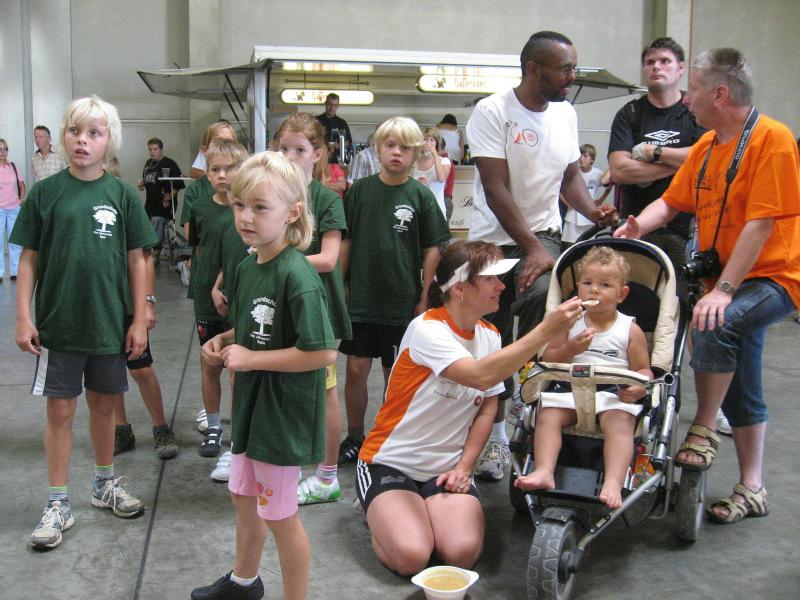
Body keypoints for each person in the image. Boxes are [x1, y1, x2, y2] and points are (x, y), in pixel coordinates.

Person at [614, 48, 800, 525]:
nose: (686, 98)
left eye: (693, 89)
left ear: (719, 94)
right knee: (743, 381)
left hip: (775, 277)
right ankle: (752, 487)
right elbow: (671, 203)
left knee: (715, 323)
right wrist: (637, 226)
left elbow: (760, 224)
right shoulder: (707, 146)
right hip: (730, 279)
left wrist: (724, 290)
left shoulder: (773, 139)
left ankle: (702, 426)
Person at [356, 240, 583, 575]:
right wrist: (545, 331)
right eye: (491, 279)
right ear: (460, 289)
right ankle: (383, 513)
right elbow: (479, 375)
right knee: (411, 556)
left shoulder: (490, 335)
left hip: (446, 467)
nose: (501, 286)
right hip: (390, 462)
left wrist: (464, 467)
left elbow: (487, 410)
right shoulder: (426, 330)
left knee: (461, 553)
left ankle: (412, 514)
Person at [466, 30, 616, 481]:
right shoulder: (493, 111)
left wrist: (592, 211)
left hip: (545, 235)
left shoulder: (566, 113)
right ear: (534, 69)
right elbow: (495, 188)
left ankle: (527, 399)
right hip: (495, 240)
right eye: (565, 69)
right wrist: (529, 246)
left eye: (573, 67)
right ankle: (493, 437)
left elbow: (570, 177)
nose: (572, 76)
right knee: (488, 335)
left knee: (540, 301)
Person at [11, 96, 157, 549]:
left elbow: (137, 259)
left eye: (94, 133)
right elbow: (29, 258)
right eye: (75, 131)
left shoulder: (122, 196)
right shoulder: (45, 193)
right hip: (59, 324)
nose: (83, 141)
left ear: (109, 141)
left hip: (108, 324)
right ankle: (58, 500)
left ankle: (103, 483)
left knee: (104, 406)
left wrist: (138, 319)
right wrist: (23, 316)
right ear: (64, 136)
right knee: (60, 409)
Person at [192, 151, 336, 600]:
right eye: (239, 205)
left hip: (282, 416)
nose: (245, 217)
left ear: (292, 213)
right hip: (252, 410)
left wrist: (252, 360)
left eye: (260, 207)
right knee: (242, 495)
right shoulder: (247, 266)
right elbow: (258, 326)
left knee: (279, 516)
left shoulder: (298, 275)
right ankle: (244, 581)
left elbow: (322, 352)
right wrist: (225, 339)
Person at [337, 117, 451, 465]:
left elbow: (434, 247)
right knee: (356, 369)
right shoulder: (359, 191)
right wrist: (339, 287)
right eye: (390, 145)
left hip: (401, 301)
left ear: (416, 153)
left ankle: (388, 437)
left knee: (395, 374)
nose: (396, 153)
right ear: (378, 149)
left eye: (404, 147)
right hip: (361, 299)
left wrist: (424, 294)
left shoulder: (420, 196)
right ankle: (355, 435)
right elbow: (346, 240)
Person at [515, 246, 653, 509]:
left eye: (605, 285)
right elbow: (550, 359)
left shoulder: (629, 330)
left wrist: (639, 388)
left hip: (613, 393)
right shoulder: (568, 323)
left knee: (620, 424)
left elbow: (644, 370)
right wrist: (571, 349)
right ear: (577, 287)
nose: (594, 290)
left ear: (621, 294)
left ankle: (613, 482)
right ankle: (544, 470)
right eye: (587, 283)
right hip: (569, 387)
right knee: (547, 415)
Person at [276, 113, 352, 504]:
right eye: (283, 148)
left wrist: (279, 262)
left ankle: (326, 476)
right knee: (284, 386)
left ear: (318, 153)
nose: (290, 157)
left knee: (324, 391)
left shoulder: (325, 200)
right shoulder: (274, 196)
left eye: (300, 150)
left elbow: (328, 258)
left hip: (317, 310)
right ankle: (282, 466)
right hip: (282, 306)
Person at [608, 37, 707, 278]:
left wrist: (655, 153)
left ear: (680, 68)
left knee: (679, 294)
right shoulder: (630, 113)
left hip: (685, 229)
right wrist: (683, 164)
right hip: (637, 225)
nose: (656, 67)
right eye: (650, 62)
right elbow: (620, 170)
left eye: (665, 61)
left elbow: (708, 157)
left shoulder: (694, 109)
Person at [186, 139, 249, 459]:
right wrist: (209, 286)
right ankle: (213, 426)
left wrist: (224, 285)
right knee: (209, 361)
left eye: (230, 168)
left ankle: (239, 433)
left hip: (241, 297)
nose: (223, 175)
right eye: (215, 169)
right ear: (207, 173)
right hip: (206, 298)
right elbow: (201, 249)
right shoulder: (199, 208)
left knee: (237, 366)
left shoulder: (248, 208)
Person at [136, 138, 184, 267]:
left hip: (164, 204)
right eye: (150, 149)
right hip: (150, 203)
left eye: (155, 149)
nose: (152, 152)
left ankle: (156, 255)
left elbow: (178, 184)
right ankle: (146, 254)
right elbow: (147, 179)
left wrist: (171, 195)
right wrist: (142, 184)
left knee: (157, 223)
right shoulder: (148, 164)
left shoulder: (170, 163)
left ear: (161, 149)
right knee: (146, 226)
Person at [561, 144, 611, 247]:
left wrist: (601, 200)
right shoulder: (573, 172)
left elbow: (608, 185)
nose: (581, 159)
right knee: (569, 245)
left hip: (589, 215)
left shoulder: (597, 173)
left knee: (589, 245)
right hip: (573, 215)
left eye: (585, 156)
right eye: (580, 156)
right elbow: (560, 188)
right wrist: (566, 202)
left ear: (592, 159)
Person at [0, 138, 26, 282]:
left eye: (5, 149)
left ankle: (15, 272)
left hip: (13, 209)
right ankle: (0, 273)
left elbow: (21, 185)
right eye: (0, 149)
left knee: (15, 241)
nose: (3, 152)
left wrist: (20, 200)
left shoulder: (13, 167)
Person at [412, 127, 452, 218]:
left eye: (432, 140)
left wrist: (434, 154)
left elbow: (441, 178)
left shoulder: (444, 161)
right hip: (417, 210)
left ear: (436, 143)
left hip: (436, 210)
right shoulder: (414, 162)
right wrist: (416, 184)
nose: (428, 143)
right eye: (425, 139)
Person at [316, 93, 352, 165]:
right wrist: (325, 146)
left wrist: (340, 145)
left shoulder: (342, 123)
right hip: (318, 159)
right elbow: (310, 139)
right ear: (325, 104)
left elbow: (348, 141)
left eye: (335, 105)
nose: (332, 108)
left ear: (338, 106)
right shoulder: (316, 121)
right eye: (330, 104)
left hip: (336, 161)